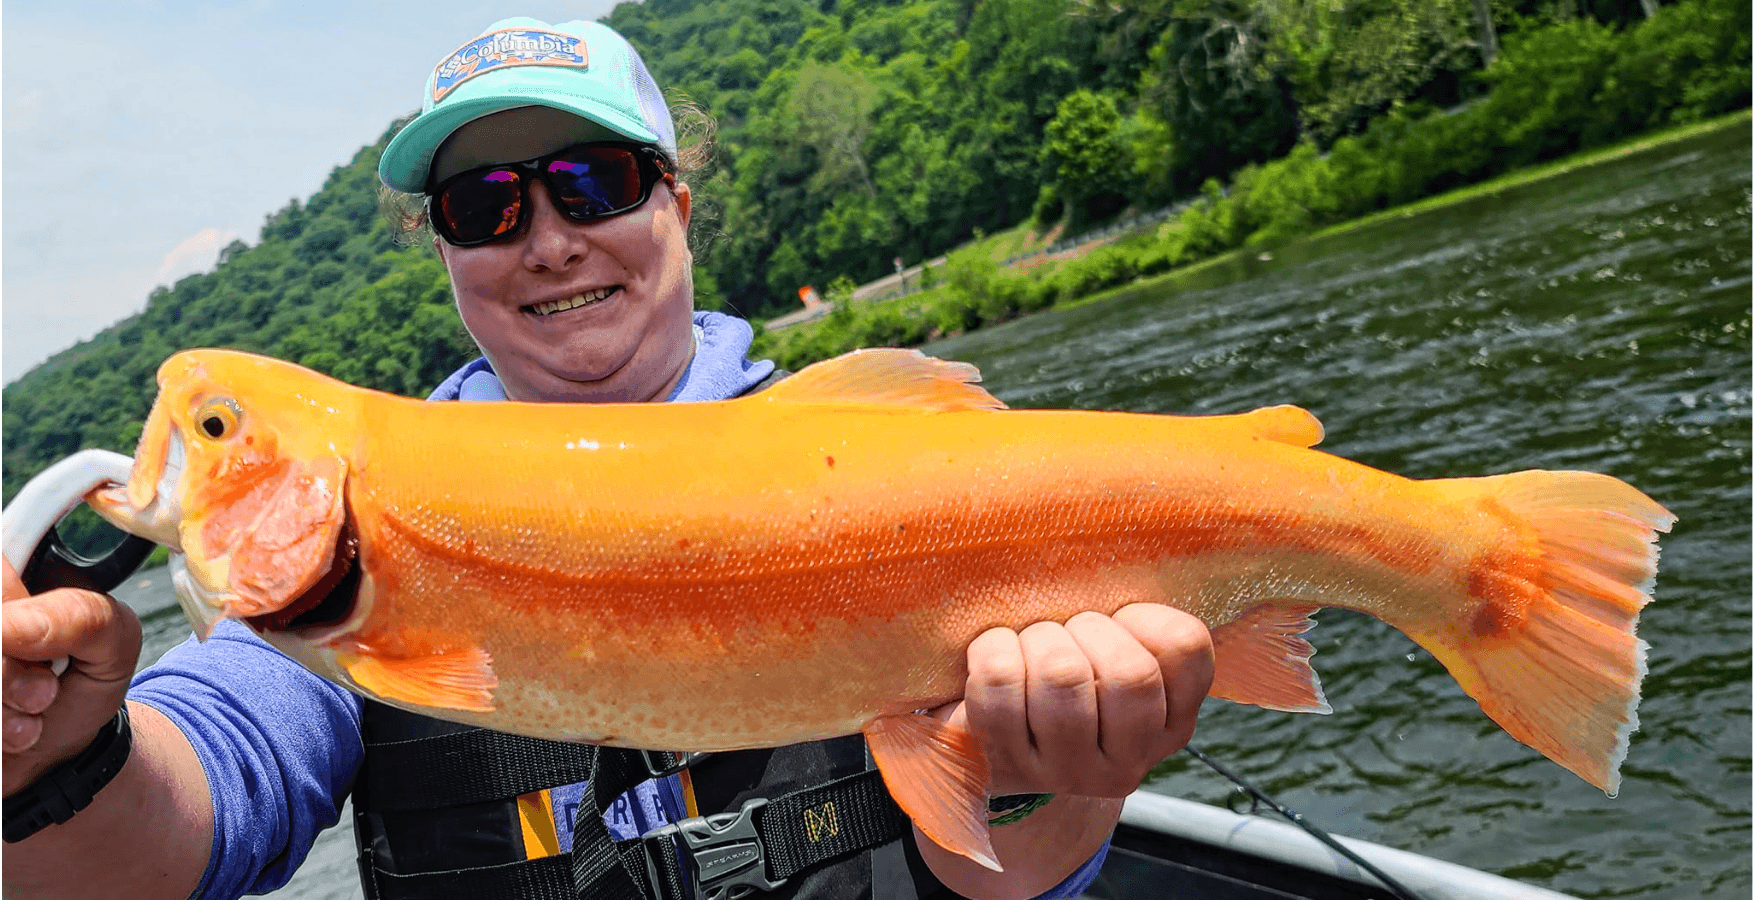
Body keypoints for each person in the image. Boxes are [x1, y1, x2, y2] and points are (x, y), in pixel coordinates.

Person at [1, 18, 1214, 900]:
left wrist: (1062, 774)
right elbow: (178, 817)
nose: (549, 239)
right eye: (488, 207)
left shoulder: (889, 463)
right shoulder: (345, 560)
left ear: (676, 205)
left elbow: (993, 878)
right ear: (449, 256)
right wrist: (50, 756)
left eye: (594, 183)